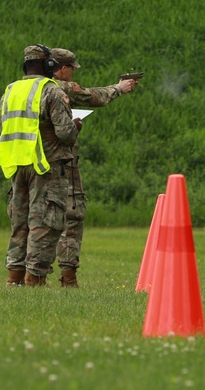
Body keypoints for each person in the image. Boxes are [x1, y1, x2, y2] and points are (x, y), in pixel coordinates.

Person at [49, 47, 138, 288]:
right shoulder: (59, 87)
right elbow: (92, 97)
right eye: (70, 69)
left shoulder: (23, 89)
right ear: (63, 69)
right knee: (72, 213)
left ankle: (29, 276)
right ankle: (68, 278)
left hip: (29, 160)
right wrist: (119, 88)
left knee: (35, 216)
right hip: (61, 161)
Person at [0, 44, 80, 287]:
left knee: (19, 224)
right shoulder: (50, 91)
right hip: (44, 165)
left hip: (16, 163)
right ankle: (35, 279)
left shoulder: (10, 91)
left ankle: (14, 278)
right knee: (44, 223)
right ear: (49, 66)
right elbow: (66, 134)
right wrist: (76, 127)